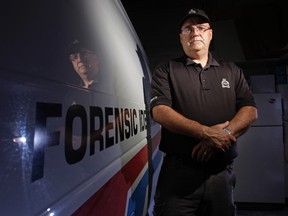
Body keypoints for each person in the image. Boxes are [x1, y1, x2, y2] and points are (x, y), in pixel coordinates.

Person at [150, 8, 258, 216]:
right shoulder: (166, 69)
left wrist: (225, 135)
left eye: (201, 27)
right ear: (181, 37)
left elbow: (250, 110)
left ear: (210, 34)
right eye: (188, 29)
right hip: (179, 175)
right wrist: (204, 133)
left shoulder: (231, 70)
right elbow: (160, 111)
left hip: (221, 173)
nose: (195, 32)